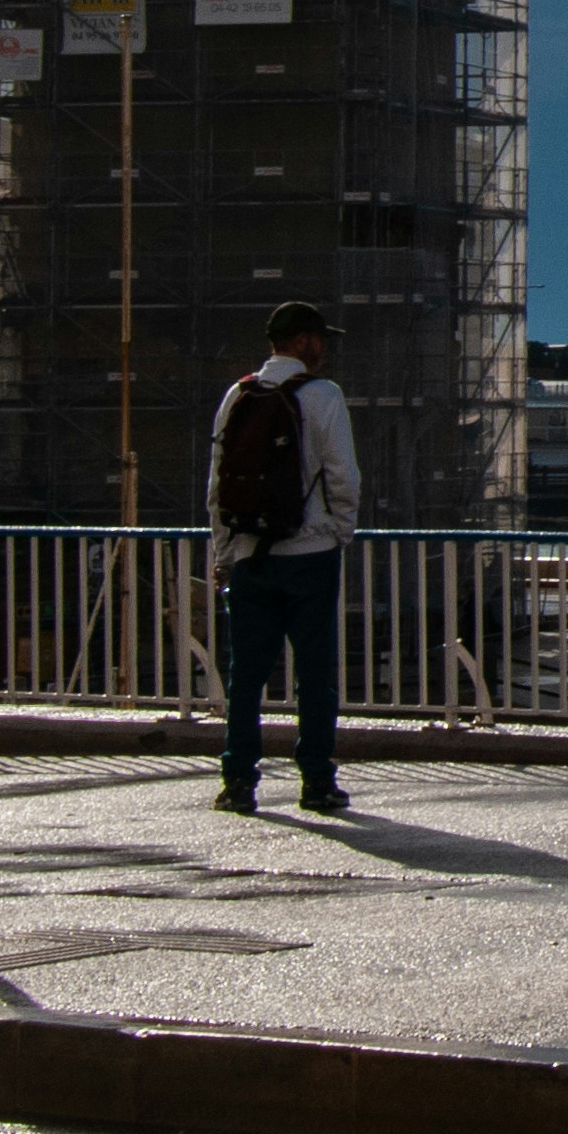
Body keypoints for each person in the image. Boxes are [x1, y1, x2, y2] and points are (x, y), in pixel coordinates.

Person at [212, 299, 362, 814]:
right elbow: (342, 473)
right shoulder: (324, 396)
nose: (325, 348)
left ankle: (238, 781)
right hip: (311, 552)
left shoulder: (239, 394)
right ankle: (317, 780)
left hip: (251, 553)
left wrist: (224, 554)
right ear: (302, 342)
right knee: (314, 674)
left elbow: (218, 486)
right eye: (320, 338)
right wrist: (340, 530)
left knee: (246, 674)